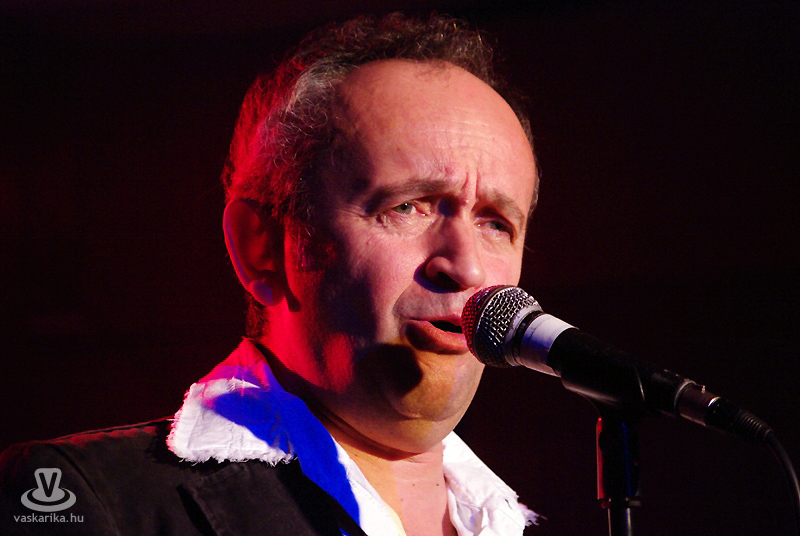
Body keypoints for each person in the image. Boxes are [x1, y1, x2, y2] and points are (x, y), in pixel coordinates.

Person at [0, 13, 540, 536]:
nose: (467, 266)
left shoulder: (510, 518)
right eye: (406, 207)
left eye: (496, 223)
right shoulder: (86, 497)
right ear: (262, 247)